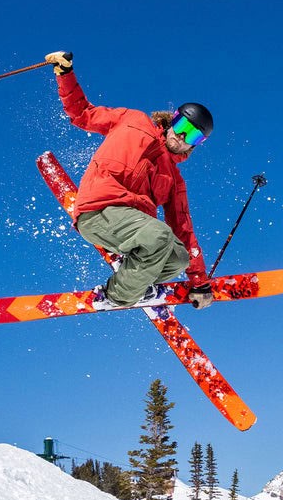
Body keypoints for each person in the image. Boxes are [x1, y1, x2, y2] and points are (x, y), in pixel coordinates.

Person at [45, 51, 213, 310]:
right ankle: (115, 296)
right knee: (160, 236)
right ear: (172, 120)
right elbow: (82, 113)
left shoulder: (174, 180)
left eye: (192, 137)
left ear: (196, 145)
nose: (182, 137)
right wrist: (65, 74)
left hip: (135, 230)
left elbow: (184, 229)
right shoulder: (133, 120)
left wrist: (199, 281)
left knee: (178, 257)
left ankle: (134, 279)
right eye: (182, 127)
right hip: (99, 211)